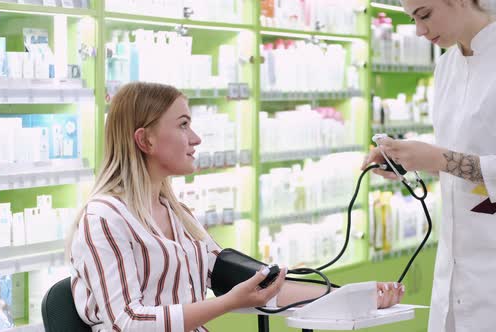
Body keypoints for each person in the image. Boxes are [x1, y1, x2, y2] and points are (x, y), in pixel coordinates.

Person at [67, 82, 403, 331]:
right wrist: (228, 303)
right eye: (183, 124)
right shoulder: (105, 219)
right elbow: (127, 322)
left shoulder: (178, 214)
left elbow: (255, 285)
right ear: (145, 140)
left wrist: (351, 296)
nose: (196, 138)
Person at [362, 0, 496, 331]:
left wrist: (436, 157)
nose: (420, 30)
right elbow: (464, 165)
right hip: (453, 278)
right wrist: (406, 159)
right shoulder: (446, 67)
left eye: (425, 14)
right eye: (412, 18)